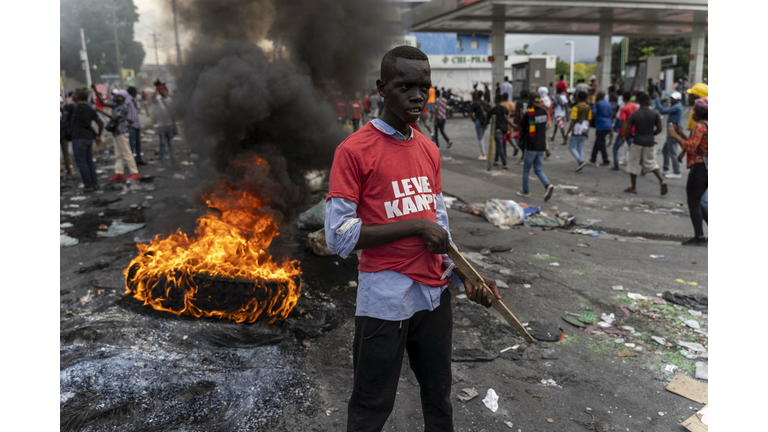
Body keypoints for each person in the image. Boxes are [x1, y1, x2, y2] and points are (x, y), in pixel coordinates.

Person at [324, 45, 501, 432]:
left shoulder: (429, 149)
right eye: (406, 86)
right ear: (382, 88)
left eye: (425, 87)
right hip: (385, 298)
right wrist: (413, 227)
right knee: (371, 406)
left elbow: (439, 227)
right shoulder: (353, 151)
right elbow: (339, 238)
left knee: (439, 399)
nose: (418, 96)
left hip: (435, 298)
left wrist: (464, 275)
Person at [669, 97, 708, 246]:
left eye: (693, 111)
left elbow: (691, 147)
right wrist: (682, 134)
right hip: (707, 167)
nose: (691, 114)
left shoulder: (699, 126)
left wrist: (675, 135)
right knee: (697, 201)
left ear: (699, 112)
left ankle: (699, 237)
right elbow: (698, 144)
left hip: (699, 168)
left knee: (693, 202)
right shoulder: (708, 125)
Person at [623, 92, 667, 195]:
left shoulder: (634, 115)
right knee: (651, 163)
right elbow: (660, 128)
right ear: (649, 101)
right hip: (649, 142)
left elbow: (628, 131)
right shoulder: (654, 114)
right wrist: (651, 135)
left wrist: (633, 136)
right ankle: (662, 180)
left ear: (639, 102)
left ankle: (633, 187)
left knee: (633, 164)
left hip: (637, 141)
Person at [63, 88, 104, 191]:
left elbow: (61, 107)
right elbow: (101, 123)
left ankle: (88, 185)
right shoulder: (90, 109)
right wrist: (98, 135)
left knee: (82, 163)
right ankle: (94, 183)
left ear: (77, 97)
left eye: (74, 95)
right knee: (89, 161)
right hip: (88, 138)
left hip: (78, 138)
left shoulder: (73, 107)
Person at [517, 93, 554, 201]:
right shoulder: (543, 112)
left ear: (530, 102)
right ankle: (547, 185)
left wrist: (508, 121)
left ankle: (526, 191)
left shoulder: (529, 114)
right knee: (538, 169)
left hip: (531, 146)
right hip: (542, 145)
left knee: (526, 169)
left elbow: (518, 127)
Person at [99, 89, 140, 182]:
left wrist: (101, 111)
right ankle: (119, 173)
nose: (115, 97)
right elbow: (103, 103)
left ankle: (134, 172)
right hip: (116, 132)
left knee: (127, 153)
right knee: (118, 154)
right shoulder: (117, 105)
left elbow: (114, 117)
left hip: (121, 132)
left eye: (118, 96)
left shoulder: (123, 106)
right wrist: (95, 90)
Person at [653, 91, 684, 178]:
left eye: (673, 98)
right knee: (665, 151)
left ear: (678, 99)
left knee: (673, 153)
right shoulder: (676, 105)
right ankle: (666, 168)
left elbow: (662, 111)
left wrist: (656, 99)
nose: (671, 99)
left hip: (674, 131)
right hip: (672, 131)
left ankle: (676, 172)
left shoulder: (677, 107)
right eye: (671, 98)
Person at [153, 81, 177, 166]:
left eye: (164, 90)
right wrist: (157, 87)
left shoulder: (169, 99)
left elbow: (176, 103)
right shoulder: (158, 99)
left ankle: (173, 159)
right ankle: (162, 160)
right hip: (161, 125)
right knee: (162, 143)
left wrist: (168, 93)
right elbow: (153, 98)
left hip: (169, 124)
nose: (162, 92)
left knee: (171, 143)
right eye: (161, 90)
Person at [565, 91, 591, 171]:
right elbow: (589, 120)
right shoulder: (588, 107)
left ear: (578, 98)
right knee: (580, 146)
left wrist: (568, 132)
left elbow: (573, 120)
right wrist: (587, 131)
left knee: (571, 147)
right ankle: (580, 163)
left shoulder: (575, 107)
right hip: (584, 128)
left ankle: (580, 161)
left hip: (577, 128)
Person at [612, 91, 638, 170]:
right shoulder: (635, 106)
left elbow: (623, 121)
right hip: (632, 130)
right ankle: (639, 165)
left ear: (623, 98)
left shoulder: (623, 108)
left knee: (615, 148)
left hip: (624, 131)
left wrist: (623, 135)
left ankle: (616, 166)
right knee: (633, 149)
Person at [485, 94, 510, 170]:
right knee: (498, 145)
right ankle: (496, 160)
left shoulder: (493, 110)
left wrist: (484, 126)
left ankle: (504, 163)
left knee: (500, 146)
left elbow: (487, 120)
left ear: (496, 100)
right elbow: (507, 118)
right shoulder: (504, 109)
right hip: (504, 130)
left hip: (497, 130)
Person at [590, 91, 612, 166]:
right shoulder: (608, 103)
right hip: (607, 124)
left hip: (600, 125)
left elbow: (594, 114)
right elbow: (611, 114)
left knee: (601, 143)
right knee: (598, 141)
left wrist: (589, 122)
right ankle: (593, 158)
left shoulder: (597, 104)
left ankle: (606, 160)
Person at [469, 91, 488, 160]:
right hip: (484, 122)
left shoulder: (475, 103)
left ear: (477, 95)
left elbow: (471, 114)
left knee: (480, 138)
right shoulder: (485, 103)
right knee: (482, 136)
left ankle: (483, 154)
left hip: (478, 121)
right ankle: (482, 152)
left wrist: (474, 121)